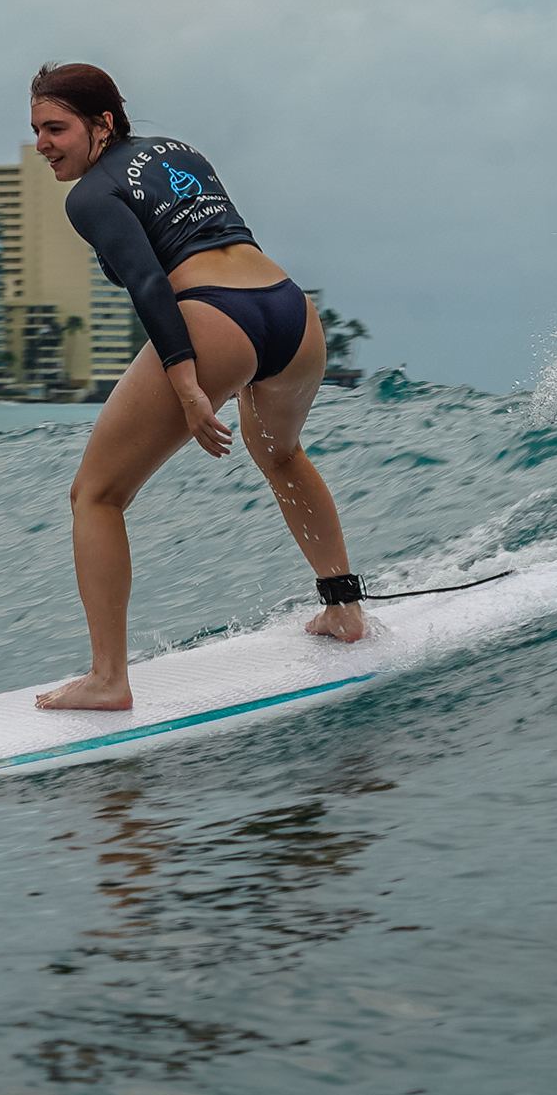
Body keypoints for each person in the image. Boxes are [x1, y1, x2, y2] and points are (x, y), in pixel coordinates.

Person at [27, 62, 363, 712]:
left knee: (96, 495)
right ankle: (343, 610)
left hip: (215, 319)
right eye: (37, 129)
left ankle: (107, 679)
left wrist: (187, 382)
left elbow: (149, 283)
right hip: (290, 311)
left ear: (102, 124)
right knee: (282, 455)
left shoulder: (89, 196)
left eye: (55, 127)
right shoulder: (176, 149)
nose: (43, 142)